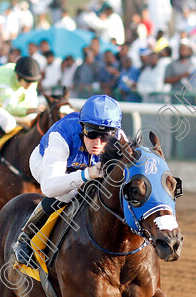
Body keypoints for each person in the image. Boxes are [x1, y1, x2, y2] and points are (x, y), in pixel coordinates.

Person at [12, 94, 123, 266]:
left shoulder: (119, 137)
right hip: (46, 162)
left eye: (105, 137)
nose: (98, 142)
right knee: (66, 195)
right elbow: (49, 188)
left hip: (86, 166)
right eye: (92, 133)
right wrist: (86, 174)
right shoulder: (62, 135)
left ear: (114, 133)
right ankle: (24, 239)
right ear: (82, 127)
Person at [0, 56, 43, 171]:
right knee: (8, 122)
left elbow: (30, 106)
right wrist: (33, 110)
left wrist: (34, 113)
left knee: (33, 120)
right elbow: (10, 108)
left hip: (11, 109)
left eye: (33, 81)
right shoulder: (3, 76)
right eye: (27, 81)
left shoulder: (29, 79)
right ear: (17, 76)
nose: (30, 85)